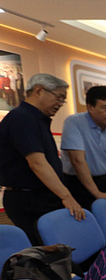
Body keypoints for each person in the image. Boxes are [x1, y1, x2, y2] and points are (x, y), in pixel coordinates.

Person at [0, 73, 85, 244]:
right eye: (59, 97)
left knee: (59, 248)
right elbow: (37, 163)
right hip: (29, 200)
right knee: (45, 252)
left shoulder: (36, 119)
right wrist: (67, 196)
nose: (60, 104)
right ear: (38, 90)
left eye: (63, 100)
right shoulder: (22, 118)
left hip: (41, 197)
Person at [60, 85, 106, 210]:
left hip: (105, 181)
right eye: (105, 108)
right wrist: (97, 193)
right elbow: (78, 161)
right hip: (77, 184)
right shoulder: (74, 123)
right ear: (90, 107)